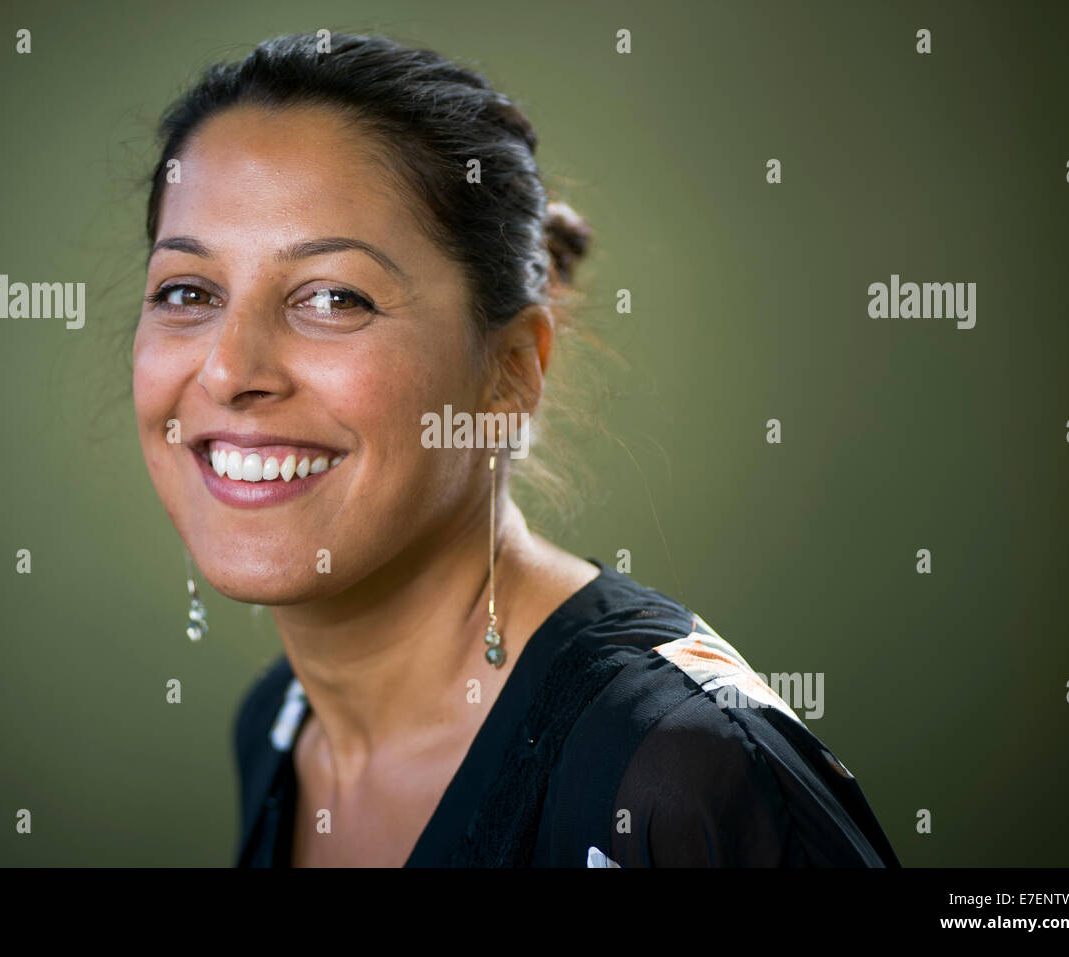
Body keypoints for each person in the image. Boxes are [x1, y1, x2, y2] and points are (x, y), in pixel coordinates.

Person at [132, 31, 900, 867]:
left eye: (331, 297)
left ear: (509, 372)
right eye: (187, 291)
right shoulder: (279, 727)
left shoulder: (679, 774)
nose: (230, 368)